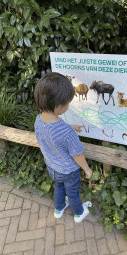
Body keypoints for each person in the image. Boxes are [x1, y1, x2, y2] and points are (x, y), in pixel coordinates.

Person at [34, 72, 93, 223]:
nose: (68, 106)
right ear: (59, 107)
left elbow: (53, 133)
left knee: (59, 187)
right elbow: (77, 155)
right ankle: (79, 213)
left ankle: (58, 210)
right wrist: (87, 169)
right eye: (68, 104)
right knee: (73, 193)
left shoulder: (39, 120)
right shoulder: (67, 132)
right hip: (69, 171)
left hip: (52, 167)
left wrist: (71, 127)